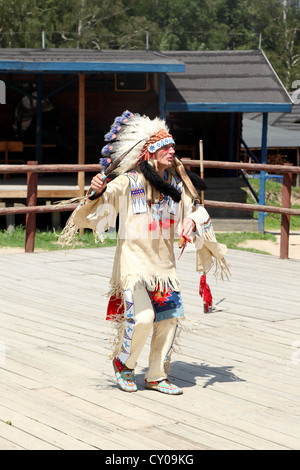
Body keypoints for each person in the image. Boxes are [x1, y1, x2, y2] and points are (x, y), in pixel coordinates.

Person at [59, 110, 230, 395]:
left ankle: (156, 374)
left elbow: (198, 210)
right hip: (134, 265)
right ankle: (124, 364)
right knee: (143, 319)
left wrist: (191, 220)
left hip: (164, 268)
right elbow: (98, 214)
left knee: (169, 319)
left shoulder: (176, 185)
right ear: (149, 153)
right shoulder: (128, 183)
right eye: (165, 146)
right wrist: (95, 191)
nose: (172, 150)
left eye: (173, 146)